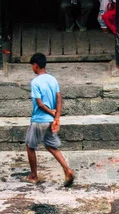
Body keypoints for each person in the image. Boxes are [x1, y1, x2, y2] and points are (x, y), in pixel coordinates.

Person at [25, 53, 74, 187]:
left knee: (30, 146)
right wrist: (56, 117)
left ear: (35, 65)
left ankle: (34, 175)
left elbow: (40, 103)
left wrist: (49, 111)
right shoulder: (53, 80)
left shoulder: (35, 82)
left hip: (39, 119)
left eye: (32, 66)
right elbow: (59, 98)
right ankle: (67, 170)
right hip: (51, 120)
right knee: (51, 146)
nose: (32, 68)